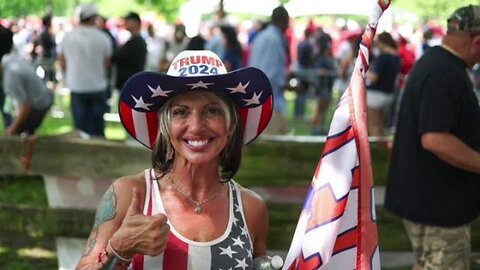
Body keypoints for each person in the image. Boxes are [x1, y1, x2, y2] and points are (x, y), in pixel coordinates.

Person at [76, 50, 273, 269]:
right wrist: (119, 249)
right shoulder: (128, 194)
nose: (197, 127)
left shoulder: (251, 208)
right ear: (164, 125)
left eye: (213, 111)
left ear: (232, 125)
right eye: (181, 112)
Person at [384, 5, 480, 270]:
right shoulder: (444, 73)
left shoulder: (438, 64)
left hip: (432, 203)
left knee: (425, 263)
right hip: (439, 209)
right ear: (476, 41)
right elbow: (435, 139)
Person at [58, 3, 113, 137]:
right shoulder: (103, 38)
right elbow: (107, 63)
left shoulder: (66, 37)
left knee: (80, 130)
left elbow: (62, 61)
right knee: (98, 128)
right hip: (97, 86)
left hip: (77, 87)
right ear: (93, 17)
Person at [0, 25, 52, 135]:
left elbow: (25, 105)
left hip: (38, 105)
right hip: (42, 100)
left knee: (13, 133)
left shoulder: (11, 73)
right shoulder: (12, 61)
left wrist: (12, 129)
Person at [248, 5, 290, 135]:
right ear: (283, 20)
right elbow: (269, 74)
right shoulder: (272, 39)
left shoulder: (263, 36)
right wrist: (285, 85)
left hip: (262, 99)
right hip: (270, 102)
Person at [366, 31, 401, 137]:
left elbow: (374, 77)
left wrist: (363, 71)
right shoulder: (396, 57)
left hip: (376, 95)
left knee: (373, 126)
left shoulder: (383, 57)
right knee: (381, 127)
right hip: (388, 93)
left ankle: (376, 152)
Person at [113, 12, 147, 91]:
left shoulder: (136, 42)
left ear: (135, 23)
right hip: (130, 83)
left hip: (130, 85)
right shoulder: (135, 41)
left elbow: (117, 57)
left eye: (128, 21)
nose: (125, 23)